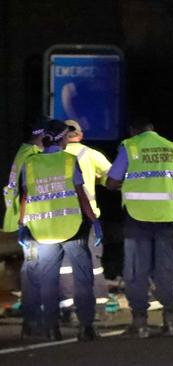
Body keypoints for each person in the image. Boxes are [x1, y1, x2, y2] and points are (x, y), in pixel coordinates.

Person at [18, 119, 102, 341]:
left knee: (48, 281)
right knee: (83, 279)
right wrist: (94, 220)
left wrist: (21, 225)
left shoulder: (30, 163)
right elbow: (80, 193)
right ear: (61, 138)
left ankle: (51, 328)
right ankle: (86, 326)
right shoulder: (68, 160)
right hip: (72, 228)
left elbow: (26, 196)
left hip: (42, 231)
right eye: (66, 137)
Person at [106, 117, 173, 338]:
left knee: (136, 269)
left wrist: (126, 183)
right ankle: (171, 322)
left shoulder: (130, 146)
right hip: (166, 216)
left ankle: (140, 323)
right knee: (164, 269)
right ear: (153, 128)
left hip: (137, 217)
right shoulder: (171, 147)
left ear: (133, 129)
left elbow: (112, 181)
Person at [58, 119, 112, 319]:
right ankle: (99, 308)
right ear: (80, 135)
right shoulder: (91, 154)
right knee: (93, 261)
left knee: (64, 264)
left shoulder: (51, 157)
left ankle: (68, 308)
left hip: (61, 217)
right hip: (87, 216)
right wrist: (100, 179)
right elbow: (113, 177)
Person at [3, 117, 46, 232]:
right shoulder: (32, 155)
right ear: (44, 135)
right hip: (25, 221)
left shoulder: (24, 151)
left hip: (15, 217)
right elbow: (26, 192)